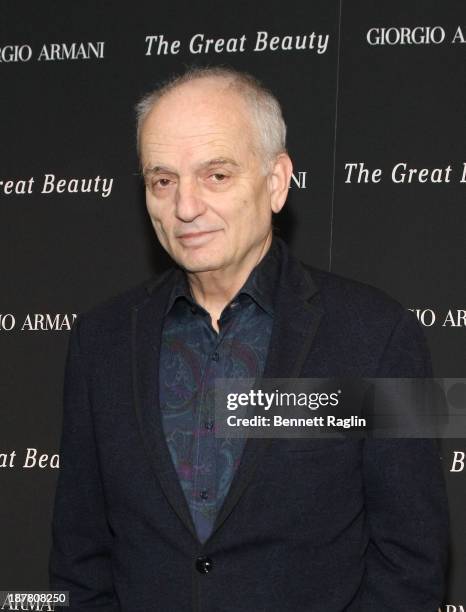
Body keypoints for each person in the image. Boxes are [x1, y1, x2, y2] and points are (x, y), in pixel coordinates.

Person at [49, 66, 449, 611]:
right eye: (162, 180)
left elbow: (413, 560)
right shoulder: (101, 341)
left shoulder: (380, 333)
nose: (185, 207)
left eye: (216, 175)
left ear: (277, 181)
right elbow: (79, 558)